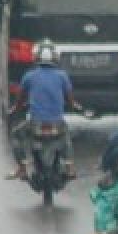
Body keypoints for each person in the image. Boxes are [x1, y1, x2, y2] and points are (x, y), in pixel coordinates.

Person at [8, 40, 80, 181]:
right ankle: (70, 167)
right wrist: (75, 106)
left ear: (36, 57)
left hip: (36, 123)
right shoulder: (62, 76)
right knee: (66, 137)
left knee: (16, 134)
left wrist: (15, 109)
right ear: (55, 57)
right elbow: (70, 99)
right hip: (57, 123)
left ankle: (22, 168)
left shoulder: (29, 76)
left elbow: (20, 98)